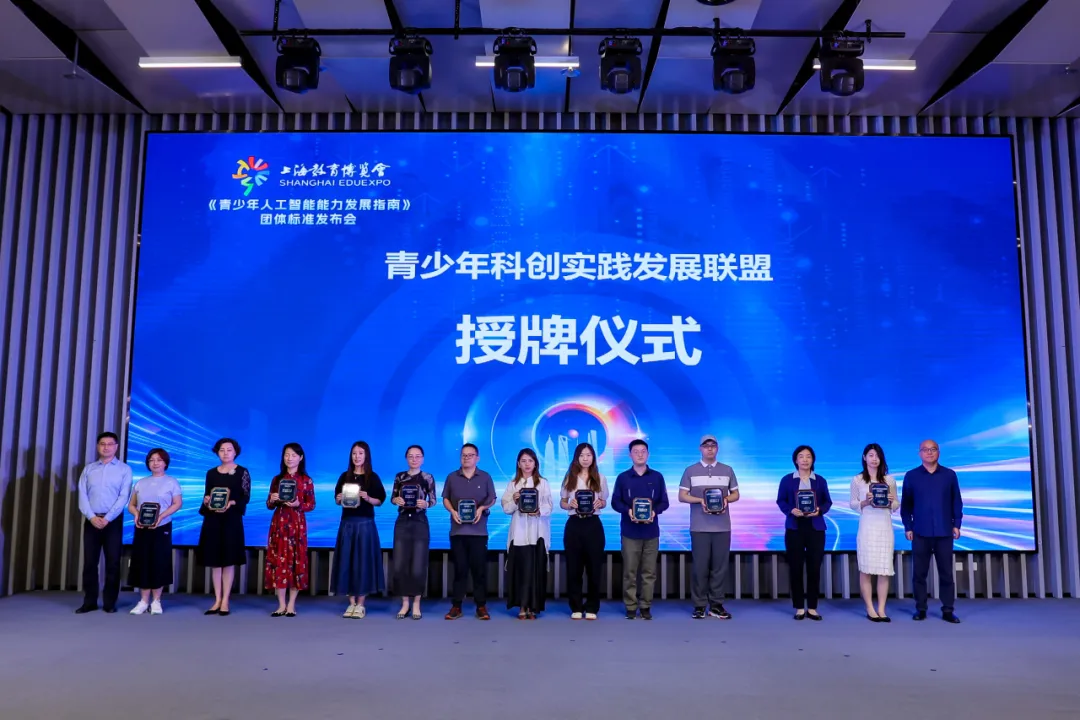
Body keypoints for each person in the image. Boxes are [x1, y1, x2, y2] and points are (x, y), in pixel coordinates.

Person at [901, 439, 963, 624]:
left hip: (944, 531)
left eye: (933, 449)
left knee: (946, 574)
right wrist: (908, 526)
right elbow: (906, 505)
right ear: (919, 453)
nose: (929, 452)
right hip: (920, 532)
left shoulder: (949, 475)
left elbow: (956, 501)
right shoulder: (911, 476)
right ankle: (920, 609)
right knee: (919, 574)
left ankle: (948, 610)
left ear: (939, 452)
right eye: (925, 450)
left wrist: (957, 524)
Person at [678, 434, 739, 620]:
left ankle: (716, 605)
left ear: (717, 448)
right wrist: (701, 500)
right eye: (706, 446)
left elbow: (736, 494)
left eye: (713, 445)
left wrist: (725, 500)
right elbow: (682, 496)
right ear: (700, 449)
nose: (710, 448)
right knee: (700, 567)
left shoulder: (727, 470)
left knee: (720, 568)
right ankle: (699, 605)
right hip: (699, 527)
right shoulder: (690, 470)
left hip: (722, 527)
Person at [610, 439, 669, 620]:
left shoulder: (657, 477)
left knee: (649, 572)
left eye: (643, 451)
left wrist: (654, 511)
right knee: (629, 572)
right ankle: (630, 606)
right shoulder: (623, 478)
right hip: (630, 532)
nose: (640, 454)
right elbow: (615, 502)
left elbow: (664, 502)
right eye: (636, 451)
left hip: (651, 532)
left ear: (648, 454)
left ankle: (645, 606)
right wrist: (628, 510)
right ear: (630, 455)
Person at [75, 431, 133, 614]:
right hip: (91, 520)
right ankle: (89, 602)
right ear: (97, 446)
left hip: (113, 522)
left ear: (116, 447)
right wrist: (91, 517)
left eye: (110, 444)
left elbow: (124, 496)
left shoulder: (124, 470)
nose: (106, 447)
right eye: (102, 444)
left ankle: (110, 603)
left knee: (113, 563)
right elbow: (82, 495)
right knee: (90, 563)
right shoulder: (89, 469)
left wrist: (107, 518)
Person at [776, 445, 833, 620]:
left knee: (814, 567)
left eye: (808, 456)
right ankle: (799, 607)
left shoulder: (820, 480)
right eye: (801, 456)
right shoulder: (787, 480)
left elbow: (827, 502)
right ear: (796, 460)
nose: (805, 459)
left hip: (815, 527)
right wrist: (791, 510)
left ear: (813, 459)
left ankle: (813, 607)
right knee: (796, 567)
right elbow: (781, 501)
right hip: (794, 527)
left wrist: (819, 510)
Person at [442, 442, 497, 620]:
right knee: (460, 570)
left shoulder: (485, 477)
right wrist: (452, 511)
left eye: (470, 455)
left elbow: (492, 499)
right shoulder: (452, 477)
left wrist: (481, 508)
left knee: (479, 570)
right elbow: (445, 498)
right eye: (464, 455)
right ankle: (456, 606)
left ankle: (481, 606)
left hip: (479, 533)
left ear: (477, 458)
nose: (466, 458)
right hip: (457, 532)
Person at [196, 438, 251, 616]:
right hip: (213, 519)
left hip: (231, 520)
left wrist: (232, 502)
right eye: (222, 450)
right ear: (217, 452)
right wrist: (206, 500)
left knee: (228, 560)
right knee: (215, 562)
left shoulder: (242, 472)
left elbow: (245, 497)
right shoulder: (211, 473)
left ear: (235, 452)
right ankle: (217, 599)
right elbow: (207, 494)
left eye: (229, 449)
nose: (225, 453)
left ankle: (226, 600)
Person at [332, 441, 386, 619]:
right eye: (354, 453)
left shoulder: (373, 477)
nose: (357, 456)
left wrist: (368, 498)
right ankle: (351, 603)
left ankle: (361, 604)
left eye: (360, 453)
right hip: (347, 524)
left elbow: (380, 500)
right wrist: (339, 498)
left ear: (366, 455)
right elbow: (337, 500)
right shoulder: (344, 476)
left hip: (365, 524)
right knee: (347, 562)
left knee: (362, 563)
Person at [126, 448, 183, 615]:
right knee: (142, 561)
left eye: (159, 460)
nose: (155, 463)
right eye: (151, 460)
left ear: (165, 463)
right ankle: (143, 601)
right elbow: (131, 505)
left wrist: (162, 516)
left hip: (162, 527)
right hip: (142, 528)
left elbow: (177, 503)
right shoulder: (141, 482)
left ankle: (156, 600)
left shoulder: (171, 482)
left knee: (159, 561)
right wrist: (136, 515)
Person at [501, 448, 553, 619]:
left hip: (538, 533)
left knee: (535, 571)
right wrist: (515, 501)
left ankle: (533, 607)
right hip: (519, 534)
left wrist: (538, 511)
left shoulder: (543, 483)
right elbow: (506, 508)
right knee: (521, 571)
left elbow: (549, 506)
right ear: (518, 464)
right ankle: (522, 606)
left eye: (530, 460)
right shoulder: (513, 484)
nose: (527, 464)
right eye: (523, 461)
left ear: (535, 463)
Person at [849, 443, 899, 622]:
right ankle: (870, 608)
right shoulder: (857, 480)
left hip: (884, 527)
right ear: (864, 458)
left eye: (877, 455)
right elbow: (852, 503)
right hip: (867, 527)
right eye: (870, 455)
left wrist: (892, 501)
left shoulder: (889, 480)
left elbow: (896, 505)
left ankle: (882, 609)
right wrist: (865, 502)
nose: (874, 459)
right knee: (866, 570)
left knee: (884, 570)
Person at [265, 442, 316, 617]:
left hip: (297, 525)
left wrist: (298, 504)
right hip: (279, 523)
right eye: (287, 454)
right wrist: (272, 499)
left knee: (296, 561)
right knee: (279, 561)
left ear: (301, 458)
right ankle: (281, 604)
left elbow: (311, 505)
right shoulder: (277, 479)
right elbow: (269, 505)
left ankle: (292, 604)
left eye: (294, 455)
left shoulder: (306, 480)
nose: (290, 458)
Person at [560, 443, 608, 620]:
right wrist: (569, 504)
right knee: (574, 568)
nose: (585, 458)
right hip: (574, 524)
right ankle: (576, 606)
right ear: (576, 458)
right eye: (581, 455)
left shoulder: (600, 478)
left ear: (593, 457)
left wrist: (600, 503)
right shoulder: (569, 477)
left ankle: (592, 607)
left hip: (593, 524)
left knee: (594, 568)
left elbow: (604, 501)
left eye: (588, 455)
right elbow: (562, 502)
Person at [389, 445, 437, 620]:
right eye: (411, 456)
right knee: (400, 564)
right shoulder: (400, 477)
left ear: (422, 458)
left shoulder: (427, 477)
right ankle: (405, 603)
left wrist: (426, 504)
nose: (414, 459)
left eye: (417, 456)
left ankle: (416, 603)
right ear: (406, 458)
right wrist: (396, 500)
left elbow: (433, 500)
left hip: (419, 522)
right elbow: (392, 497)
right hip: (402, 522)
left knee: (418, 564)